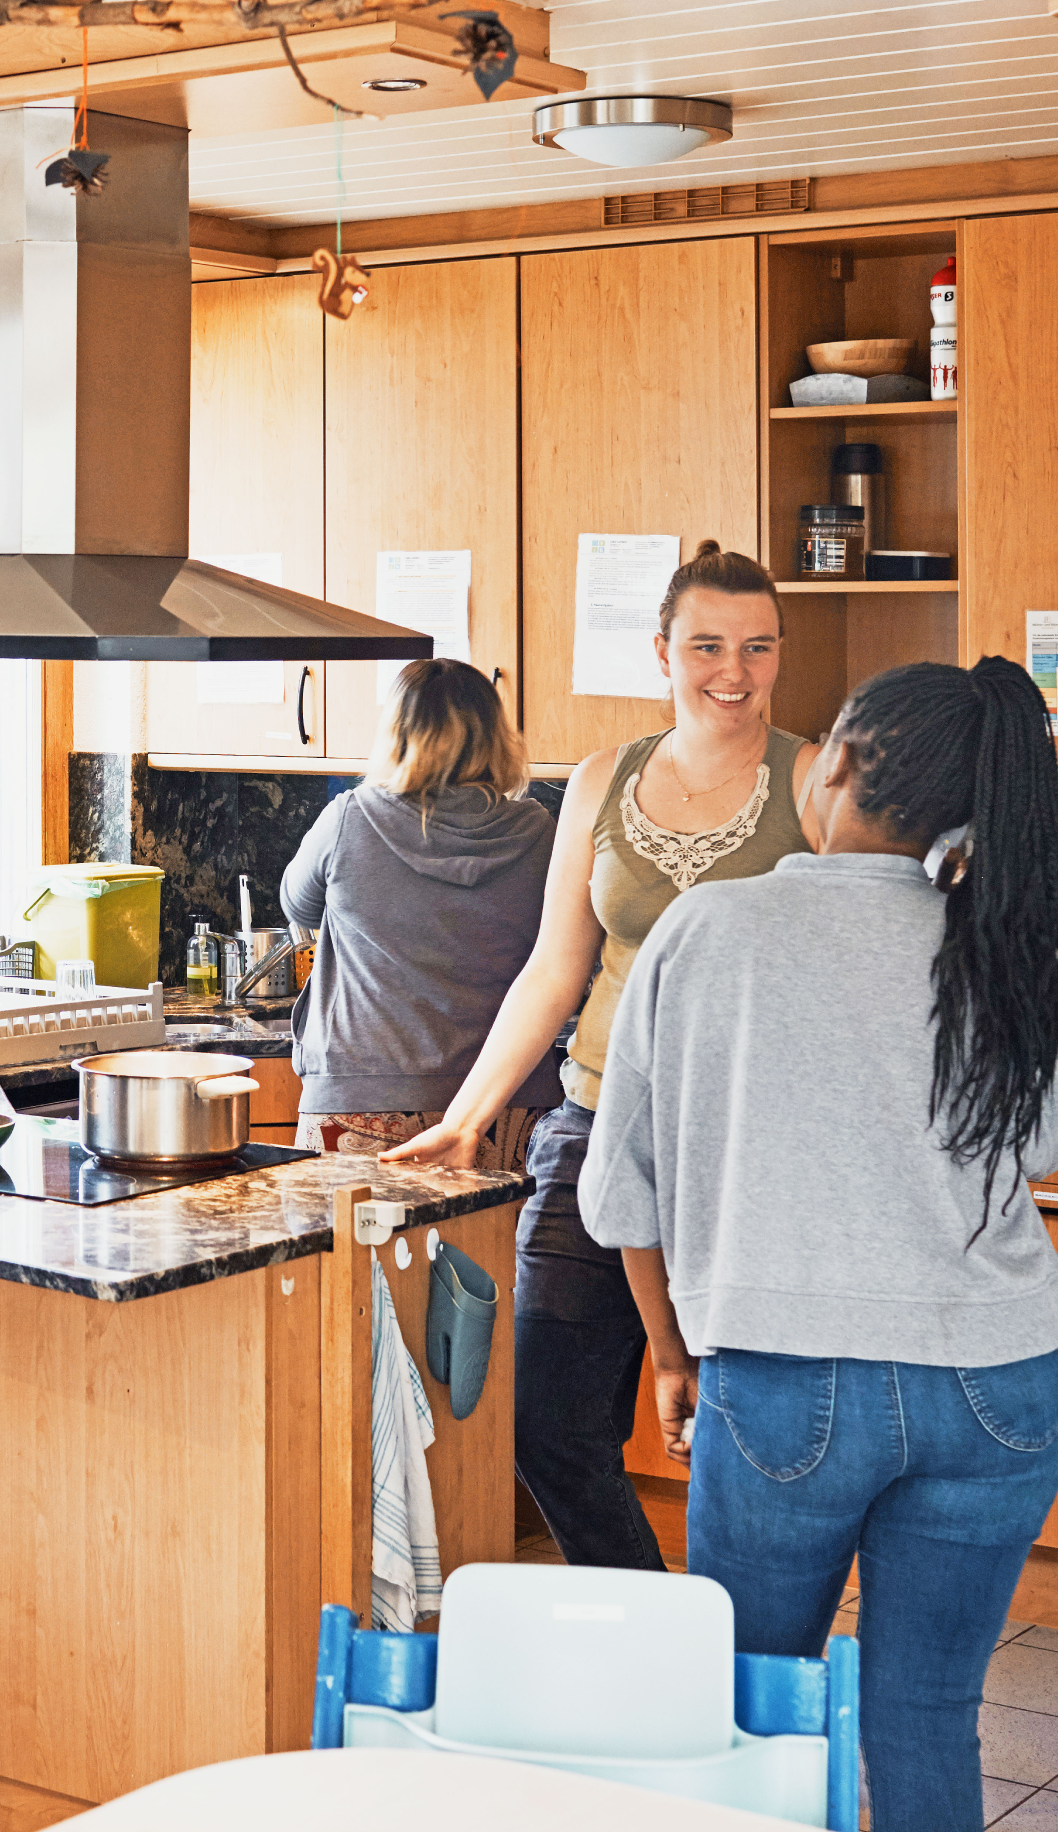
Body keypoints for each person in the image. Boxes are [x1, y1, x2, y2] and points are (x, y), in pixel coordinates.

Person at [579, 656, 1058, 1832]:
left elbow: (622, 1192)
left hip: (783, 1376)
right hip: (1000, 1389)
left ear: (839, 766)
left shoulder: (711, 928)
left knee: (755, 1713)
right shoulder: (1009, 949)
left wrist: (668, 1354)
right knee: (926, 1712)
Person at [383, 542, 819, 1571]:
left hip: (745, 1150)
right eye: (707, 645)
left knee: (741, 1430)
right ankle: (660, 1625)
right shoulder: (600, 781)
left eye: (757, 648)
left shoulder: (814, 779)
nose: (733, 672)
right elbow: (553, 967)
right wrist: (468, 1115)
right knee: (547, 1424)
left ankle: (736, 1654)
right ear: (660, 651)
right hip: (591, 1128)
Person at [280, 658, 558, 1164]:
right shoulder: (540, 831)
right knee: (487, 1244)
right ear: (497, 737)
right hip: (506, 1100)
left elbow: (298, 904)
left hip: (362, 1098)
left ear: (395, 734)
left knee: (351, 1245)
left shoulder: (351, 817)